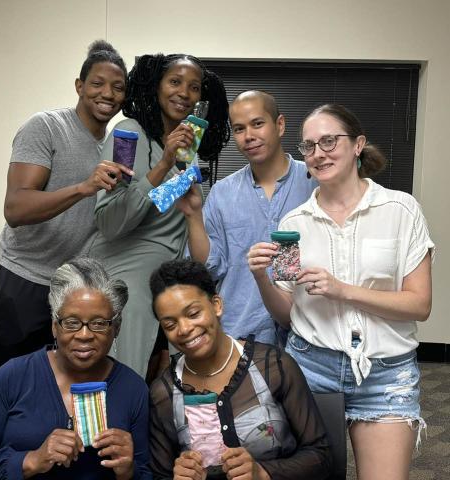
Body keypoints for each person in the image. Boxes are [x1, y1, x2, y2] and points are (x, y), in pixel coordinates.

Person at [248, 104, 434, 480]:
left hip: (385, 372)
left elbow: (419, 304)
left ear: (358, 145)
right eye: (309, 146)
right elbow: (287, 314)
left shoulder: (401, 210)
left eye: (329, 141)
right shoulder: (294, 223)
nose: (318, 153)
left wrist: (341, 290)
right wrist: (262, 279)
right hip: (310, 366)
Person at [0, 40, 132, 381]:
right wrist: (84, 187)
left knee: (61, 387)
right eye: (97, 83)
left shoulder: (116, 147)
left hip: (75, 290)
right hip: (26, 278)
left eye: (117, 87)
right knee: (9, 382)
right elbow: (16, 208)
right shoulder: (47, 127)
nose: (107, 93)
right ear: (80, 86)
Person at [88, 54, 230, 380]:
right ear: (157, 86)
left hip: (169, 289)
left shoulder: (188, 148)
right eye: (175, 82)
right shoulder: (129, 136)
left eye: (194, 87)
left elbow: (165, 208)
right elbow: (110, 222)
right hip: (127, 286)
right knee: (124, 386)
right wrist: (163, 164)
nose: (184, 92)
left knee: (171, 397)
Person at [148, 259, 331, 480]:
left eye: (194, 313)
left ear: (216, 305)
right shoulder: (164, 393)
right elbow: (159, 475)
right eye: (170, 325)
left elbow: (321, 455)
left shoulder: (272, 366)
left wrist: (263, 473)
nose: (184, 329)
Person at [0, 257, 151, 479]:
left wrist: (129, 470)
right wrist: (30, 460)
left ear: (115, 328)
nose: (84, 335)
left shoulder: (133, 389)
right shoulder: (14, 376)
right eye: (71, 322)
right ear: (54, 326)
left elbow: (145, 472)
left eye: (99, 323)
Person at [177, 90, 316, 346]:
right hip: (242, 332)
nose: (249, 136)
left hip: (310, 333)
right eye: (239, 129)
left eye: (258, 124)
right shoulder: (223, 192)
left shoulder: (315, 182)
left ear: (280, 125)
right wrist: (193, 214)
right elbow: (209, 267)